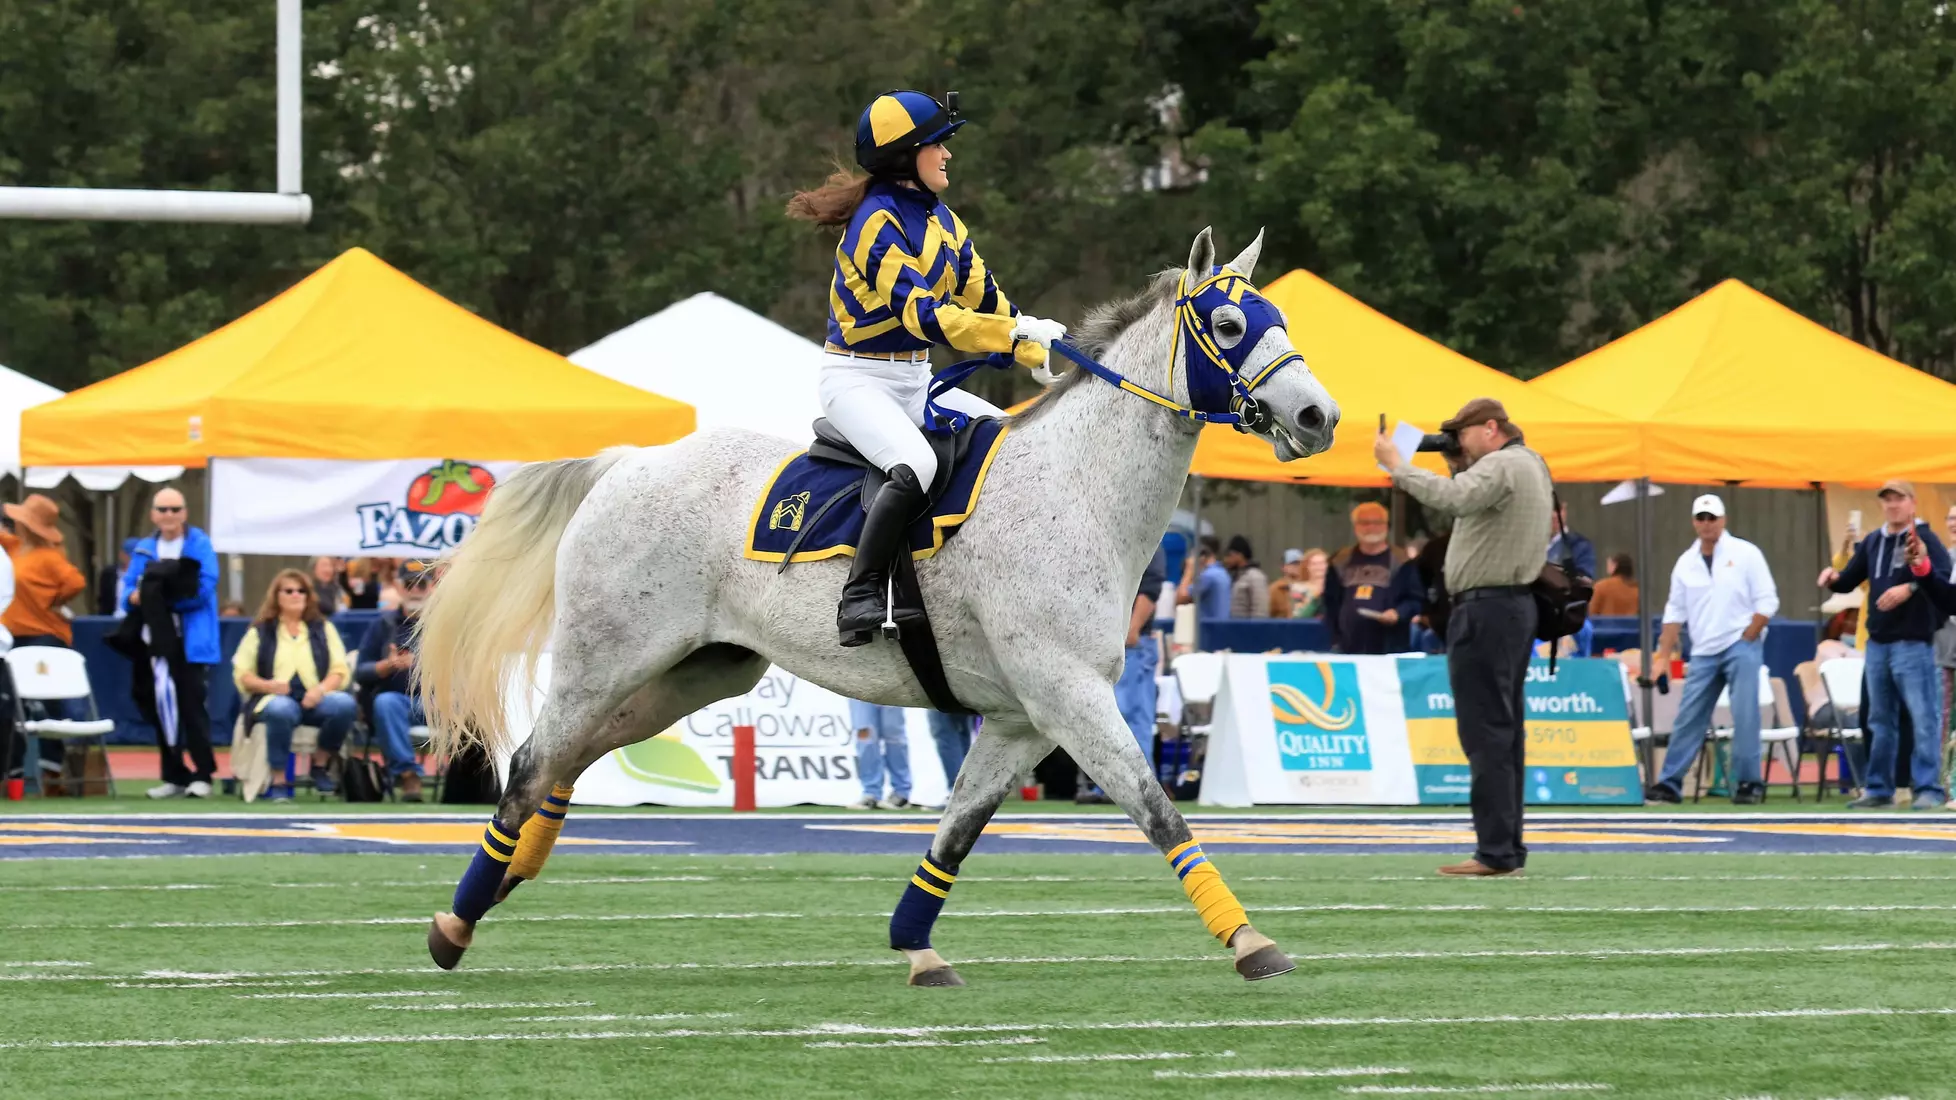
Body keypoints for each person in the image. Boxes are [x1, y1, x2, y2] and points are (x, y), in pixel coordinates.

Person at [787, 90, 1066, 646]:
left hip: (915, 380)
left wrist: (1039, 350)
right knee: (914, 463)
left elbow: (987, 298)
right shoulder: (873, 223)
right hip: (856, 379)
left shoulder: (944, 221)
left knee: (1008, 443)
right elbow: (924, 316)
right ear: (906, 154)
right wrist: (1010, 335)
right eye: (938, 143)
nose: (948, 154)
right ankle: (860, 595)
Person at [1374, 397, 1552, 877]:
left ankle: (1494, 852)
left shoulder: (1503, 465)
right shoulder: (1529, 463)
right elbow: (1476, 506)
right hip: (1512, 608)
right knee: (1505, 732)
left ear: (1490, 428)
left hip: (1488, 610)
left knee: (1486, 732)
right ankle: (1506, 847)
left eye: (1462, 433)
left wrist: (1398, 467)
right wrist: (1458, 465)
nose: (1457, 441)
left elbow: (1454, 500)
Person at [1642, 495, 1780, 805]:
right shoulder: (1685, 562)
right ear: (1694, 522)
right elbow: (1674, 612)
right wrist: (1662, 656)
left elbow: (1767, 600)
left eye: (1712, 518)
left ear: (1723, 519)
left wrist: (1750, 634)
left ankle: (1748, 782)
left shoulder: (1746, 553)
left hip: (1738, 643)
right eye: (1701, 518)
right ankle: (1671, 783)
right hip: (1703, 649)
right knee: (1689, 714)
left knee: (1745, 714)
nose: (1706, 524)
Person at [1821, 480, 1949, 810]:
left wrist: (1909, 588)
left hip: (1912, 640)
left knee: (1923, 716)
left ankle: (1928, 787)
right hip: (1877, 642)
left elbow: (1942, 576)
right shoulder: (1874, 541)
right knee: (1879, 719)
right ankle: (1879, 787)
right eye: (1887, 500)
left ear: (1912, 504)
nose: (1892, 505)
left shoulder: (1925, 538)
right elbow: (1849, 579)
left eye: (1899, 499)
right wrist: (1833, 579)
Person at [122, 487, 220, 800]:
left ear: (185, 512)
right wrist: (136, 597)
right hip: (154, 640)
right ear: (153, 514)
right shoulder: (144, 547)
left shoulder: (199, 543)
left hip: (190, 640)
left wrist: (162, 599)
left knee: (192, 705)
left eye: (175, 509)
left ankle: (203, 773)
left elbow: (205, 587)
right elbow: (128, 588)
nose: (169, 515)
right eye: (163, 509)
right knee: (160, 705)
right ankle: (174, 774)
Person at [232, 570, 357, 801]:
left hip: (315, 698)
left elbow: (340, 671)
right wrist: (269, 686)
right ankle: (279, 779)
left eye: (302, 591)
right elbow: (242, 674)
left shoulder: (323, 628)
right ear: (276, 596)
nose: (296, 595)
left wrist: (320, 690)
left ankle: (319, 763)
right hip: (274, 698)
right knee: (281, 709)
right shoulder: (260, 630)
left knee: (345, 704)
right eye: (289, 591)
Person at [354, 559, 436, 801]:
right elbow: (361, 671)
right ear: (400, 587)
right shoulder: (382, 625)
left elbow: (462, 668)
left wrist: (422, 664)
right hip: (398, 702)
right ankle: (408, 774)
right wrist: (387, 666)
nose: (415, 590)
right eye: (410, 584)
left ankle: (477, 782)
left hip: (437, 703)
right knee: (386, 703)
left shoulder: (444, 623)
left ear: (431, 588)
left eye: (421, 585)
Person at [1321, 502, 1424, 654]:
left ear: (1386, 526)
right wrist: (1335, 638)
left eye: (1377, 523)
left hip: (1390, 647)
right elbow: (1330, 602)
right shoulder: (1339, 560)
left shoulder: (1402, 562)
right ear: (1355, 526)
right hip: (1346, 647)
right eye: (1364, 523)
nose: (1371, 527)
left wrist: (1398, 613)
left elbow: (1417, 599)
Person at [847, 701, 913, 810]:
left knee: (894, 737)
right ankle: (871, 793)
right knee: (865, 736)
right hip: (859, 687)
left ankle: (901, 793)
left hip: (892, 686)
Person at [1177, 535, 1232, 627]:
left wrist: (1189, 569)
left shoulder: (1208, 576)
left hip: (1209, 631)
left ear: (1201, 557)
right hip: (1221, 628)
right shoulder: (1223, 573)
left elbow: (1181, 598)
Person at [1269, 548, 1328, 619]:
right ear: (1307, 567)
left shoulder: (1337, 588)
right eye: (1314, 564)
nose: (1319, 567)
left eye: (1322, 563)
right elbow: (1298, 616)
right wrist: (1316, 598)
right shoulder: (1297, 589)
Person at [1545, 499, 1597, 580]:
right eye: (1547, 509)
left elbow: (1584, 583)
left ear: (1564, 510)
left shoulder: (1580, 545)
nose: (1553, 515)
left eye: (1557, 508)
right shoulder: (1528, 544)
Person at [1223, 536, 1270, 619]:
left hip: (1248, 630)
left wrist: (1256, 629)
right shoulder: (1237, 577)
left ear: (1240, 555)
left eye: (1230, 555)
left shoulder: (1255, 577)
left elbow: (1260, 610)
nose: (1226, 560)